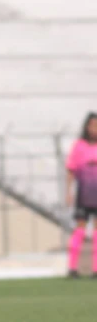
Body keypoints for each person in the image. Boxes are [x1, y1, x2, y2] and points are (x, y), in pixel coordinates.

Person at [65, 112, 97, 278]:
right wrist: (68, 192)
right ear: (86, 126)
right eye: (92, 125)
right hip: (84, 193)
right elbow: (71, 170)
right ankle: (72, 268)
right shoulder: (79, 146)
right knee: (80, 230)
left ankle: (96, 269)